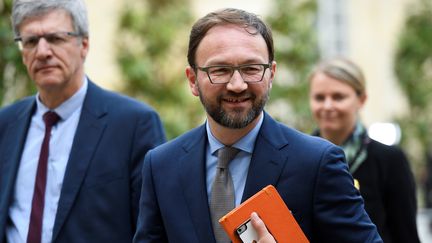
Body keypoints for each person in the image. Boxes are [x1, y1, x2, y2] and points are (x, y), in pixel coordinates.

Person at [133, 8, 382, 243]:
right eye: (220, 70)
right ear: (192, 80)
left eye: (251, 68)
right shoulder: (161, 165)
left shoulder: (317, 162)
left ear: (271, 74)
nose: (237, 84)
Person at [0, 0, 166, 242]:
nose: (43, 51)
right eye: (31, 41)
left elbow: (153, 230)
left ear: (84, 44)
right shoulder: (5, 124)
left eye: (56, 38)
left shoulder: (134, 125)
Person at [309, 57, 420, 243]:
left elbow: (405, 234)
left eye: (338, 97)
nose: (327, 106)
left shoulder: (389, 160)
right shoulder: (300, 157)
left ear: (361, 100)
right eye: (319, 98)